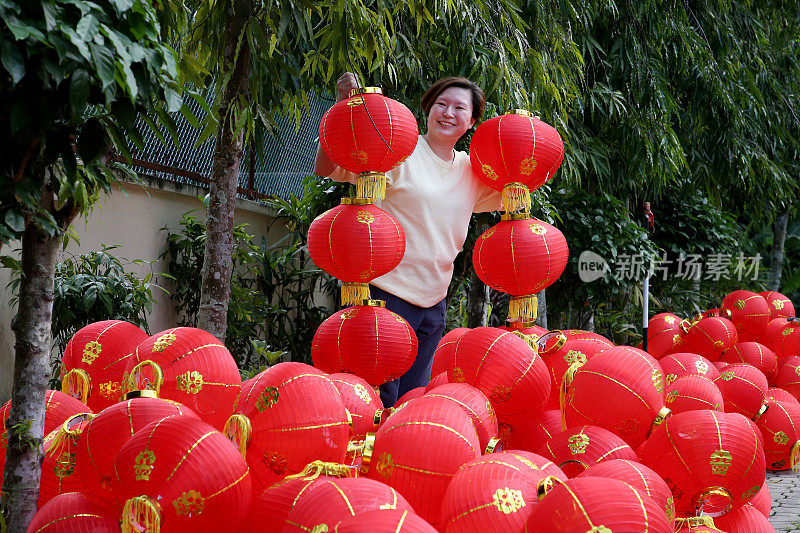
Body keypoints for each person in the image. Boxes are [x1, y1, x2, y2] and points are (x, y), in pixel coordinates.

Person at [314, 73, 500, 408]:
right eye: (441, 104)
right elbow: (328, 167)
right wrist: (343, 108)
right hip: (385, 293)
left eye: (460, 108)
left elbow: (518, 186)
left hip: (434, 301)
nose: (448, 112)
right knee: (372, 398)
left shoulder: (473, 171)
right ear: (427, 109)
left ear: (472, 122)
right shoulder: (399, 149)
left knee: (411, 401)